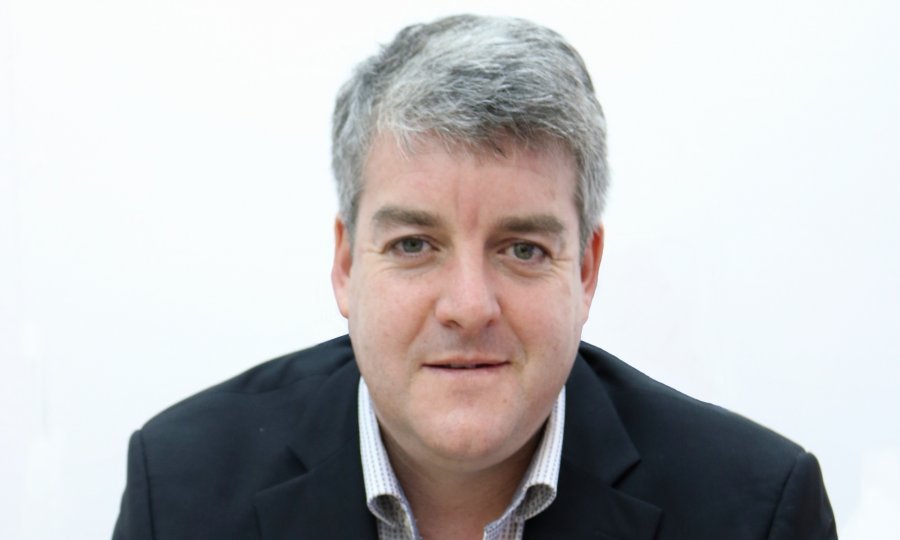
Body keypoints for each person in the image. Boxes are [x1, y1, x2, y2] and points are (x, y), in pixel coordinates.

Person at [112, 14, 836, 540]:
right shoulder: (180, 491)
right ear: (346, 264)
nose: (467, 306)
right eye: (414, 244)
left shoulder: (755, 513)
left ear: (585, 271)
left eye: (522, 250)